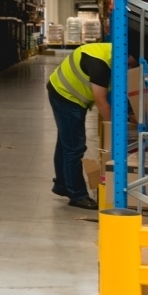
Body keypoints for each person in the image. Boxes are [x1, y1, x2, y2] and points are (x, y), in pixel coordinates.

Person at [48, 41, 113, 211]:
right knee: (74, 147)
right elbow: (101, 101)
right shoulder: (100, 65)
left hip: (71, 95)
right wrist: (114, 130)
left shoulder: (111, 53)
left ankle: (63, 184)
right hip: (65, 95)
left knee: (66, 142)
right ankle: (77, 195)